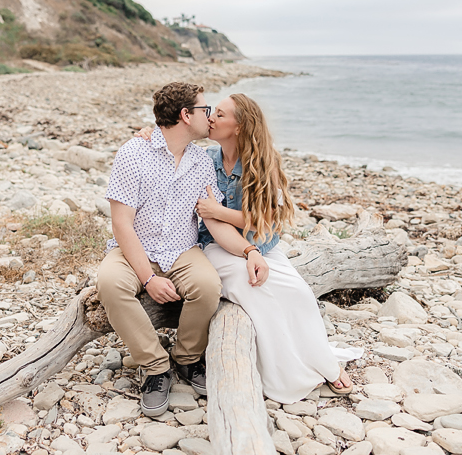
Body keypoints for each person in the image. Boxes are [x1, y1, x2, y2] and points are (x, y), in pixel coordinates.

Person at [137, 93, 362, 404]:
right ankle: (285, 372)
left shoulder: (262, 162)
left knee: (298, 293)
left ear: (239, 127)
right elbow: (169, 142)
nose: (211, 118)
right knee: (257, 292)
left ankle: (324, 361)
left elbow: (268, 217)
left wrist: (219, 212)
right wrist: (148, 133)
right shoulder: (206, 160)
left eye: (220, 114)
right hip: (216, 245)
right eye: (211, 112)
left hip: (261, 246)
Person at [95, 82, 261, 417]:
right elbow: (122, 224)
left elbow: (213, 222)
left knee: (208, 285)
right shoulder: (133, 153)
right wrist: (147, 278)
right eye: (204, 110)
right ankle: (156, 368)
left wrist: (249, 252)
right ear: (186, 116)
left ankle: (187, 358)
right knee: (109, 283)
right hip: (133, 249)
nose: (210, 116)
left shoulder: (202, 162)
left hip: (182, 250)